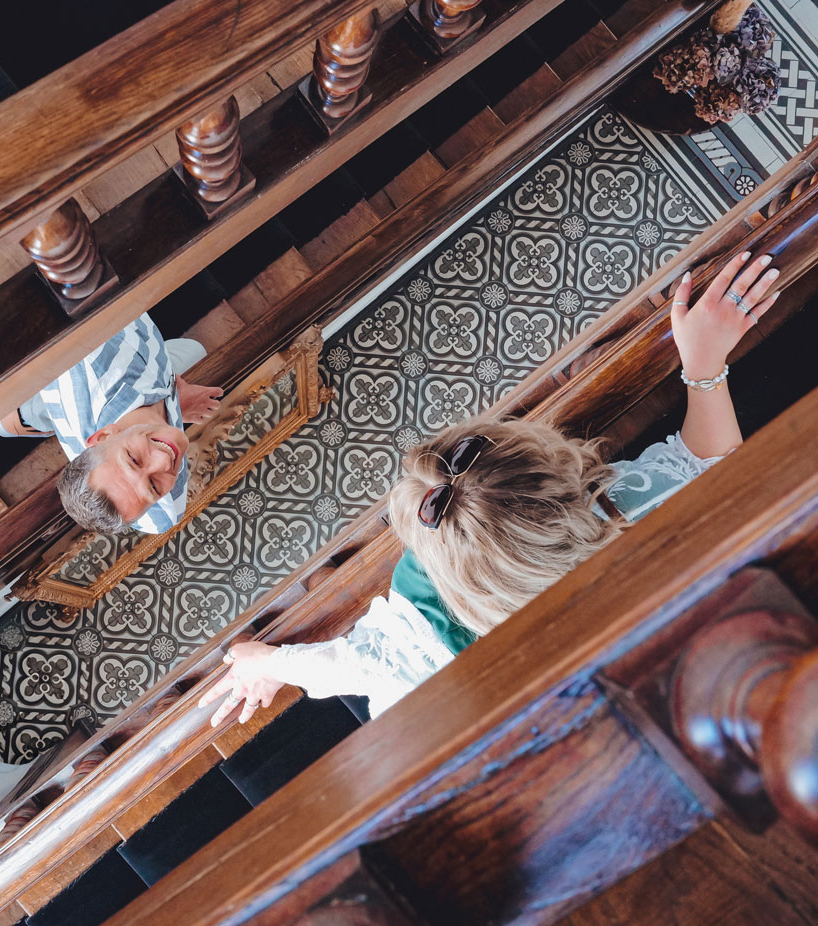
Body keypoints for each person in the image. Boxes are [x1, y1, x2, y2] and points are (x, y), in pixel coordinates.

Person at [200, 251, 781, 725]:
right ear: (570, 481)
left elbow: (352, 665)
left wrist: (260, 659)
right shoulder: (633, 511)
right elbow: (708, 460)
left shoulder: (425, 675)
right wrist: (703, 362)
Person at [0, 313, 222, 534]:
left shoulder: (89, 352)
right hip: (157, 381)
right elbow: (161, 520)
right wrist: (173, 404)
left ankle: (19, 423)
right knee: (195, 350)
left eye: (133, 460)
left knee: (4, 425)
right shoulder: (165, 511)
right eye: (153, 486)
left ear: (103, 435)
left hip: (63, 381)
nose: (164, 461)